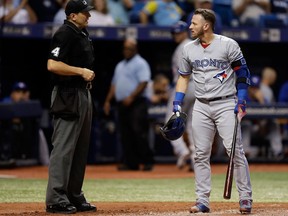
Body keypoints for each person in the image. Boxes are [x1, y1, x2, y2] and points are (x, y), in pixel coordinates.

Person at [172, 9, 252, 213]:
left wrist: (241, 98)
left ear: (206, 26)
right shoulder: (188, 49)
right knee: (199, 154)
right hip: (201, 105)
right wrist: (177, 101)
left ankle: (245, 197)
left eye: (194, 23)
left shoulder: (228, 44)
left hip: (226, 103)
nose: (190, 26)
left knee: (235, 151)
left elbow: (242, 73)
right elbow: (183, 77)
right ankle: (202, 200)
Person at [45, 0, 96, 214]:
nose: (89, 16)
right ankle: (56, 198)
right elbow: (52, 64)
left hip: (83, 93)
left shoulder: (81, 33)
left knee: (80, 150)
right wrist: (80, 71)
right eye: (85, 13)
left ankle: (74, 195)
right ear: (72, 15)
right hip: (68, 94)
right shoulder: (65, 33)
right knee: (64, 149)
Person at [103, 37, 154, 171]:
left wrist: (131, 97)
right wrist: (108, 100)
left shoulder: (140, 63)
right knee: (125, 134)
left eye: (129, 49)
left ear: (135, 49)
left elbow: (144, 82)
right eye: (125, 48)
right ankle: (131, 162)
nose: (126, 51)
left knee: (139, 132)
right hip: (122, 103)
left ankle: (147, 161)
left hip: (136, 103)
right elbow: (114, 84)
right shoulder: (120, 65)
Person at [165, 21, 196, 171]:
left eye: (179, 32)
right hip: (196, 88)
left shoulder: (182, 48)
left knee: (169, 121)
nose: (176, 35)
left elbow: (181, 74)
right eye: (174, 33)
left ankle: (182, 151)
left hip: (183, 87)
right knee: (190, 124)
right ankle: (195, 154)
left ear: (185, 32)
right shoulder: (194, 45)